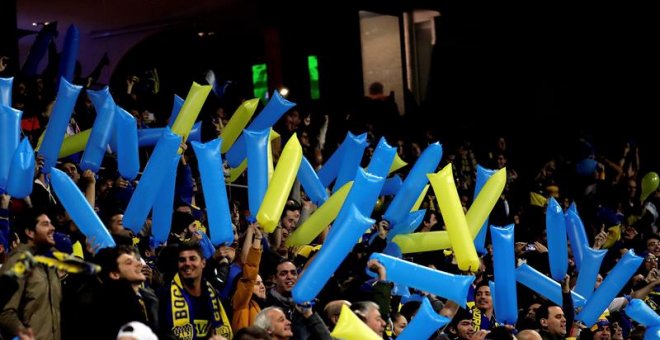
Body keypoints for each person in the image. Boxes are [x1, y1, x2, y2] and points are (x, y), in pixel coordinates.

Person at [0, 209, 61, 340]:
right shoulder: (17, 262)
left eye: (50, 223)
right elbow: (5, 311)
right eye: (45, 224)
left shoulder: (49, 262)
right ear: (30, 233)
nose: (52, 228)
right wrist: (22, 333)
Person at [162, 241, 232, 339]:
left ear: (203, 263)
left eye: (192, 259)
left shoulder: (214, 295)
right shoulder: (164, 297)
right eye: (182, 260)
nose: (187, 263)